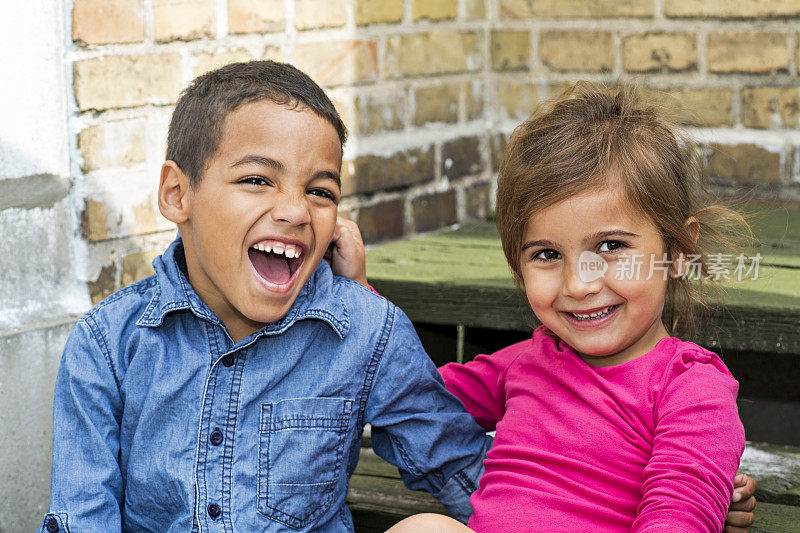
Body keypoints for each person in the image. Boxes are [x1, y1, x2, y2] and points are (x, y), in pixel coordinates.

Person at [39, 61, 492, 532]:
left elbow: (460, 470)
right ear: (177, 194)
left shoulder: (367, 331)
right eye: (257, 180)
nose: (296, 210)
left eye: (320, 191)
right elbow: (81, 518)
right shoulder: (108, 344)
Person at [385, 83, 757, 532]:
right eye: (547, 254)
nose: (578, 285)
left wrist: (709, 498)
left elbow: (678, 513)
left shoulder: (690, 388)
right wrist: (362, 299)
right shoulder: (527, 361)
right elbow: (408, 395)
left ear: (677, 251)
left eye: (611, 246)